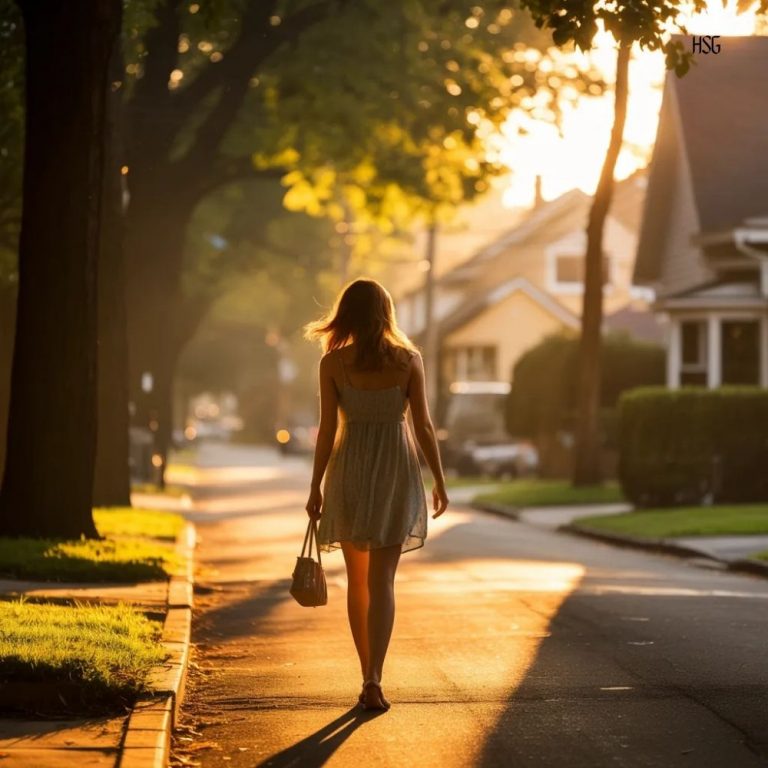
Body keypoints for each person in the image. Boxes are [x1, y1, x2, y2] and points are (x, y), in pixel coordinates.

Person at [303, 278, 449, 712]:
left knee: (357, 580)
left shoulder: (333, 364)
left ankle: (365, 674)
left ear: (346, 315)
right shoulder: (408, 361)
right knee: (383, 580)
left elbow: (327, 430)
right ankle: (375, 680)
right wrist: (439, 479)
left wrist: (315, 486)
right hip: (394, 470)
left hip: (348, 470)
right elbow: (422, 426)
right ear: (387, 313)